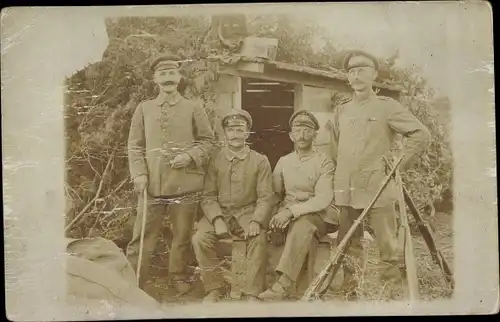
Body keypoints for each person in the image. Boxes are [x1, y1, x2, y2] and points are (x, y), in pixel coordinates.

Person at [330, 50, 431, 299]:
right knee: (347, 242)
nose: (356, 75)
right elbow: (335, 146)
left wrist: (397, 166)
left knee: (387, 244)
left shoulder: (387, 106)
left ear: (374, 74)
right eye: (352, 71)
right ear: (348, 78)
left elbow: (420, 134)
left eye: (362, 70)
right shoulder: (341, 110)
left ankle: (390, 291)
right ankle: (351, 288)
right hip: (347, 186)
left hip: (378, 184)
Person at [127, 54, 215, 294]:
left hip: (184, 185)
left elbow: (208, 141)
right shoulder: (144, 109)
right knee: (142, 234)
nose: (168, 78)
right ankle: (134, 280)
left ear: (179, 77)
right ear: (155, 79)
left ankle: (177, 276)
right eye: (162, 74)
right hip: (151, 184)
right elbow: (134, 145)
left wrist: (189, 156)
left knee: (182, 235)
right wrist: (139, 174)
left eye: (172, 73)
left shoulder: (193, 107)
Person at [192, 109, 274, 303]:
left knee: (258, 237)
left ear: (247, 133)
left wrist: (257, 220)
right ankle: (215, 288)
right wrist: (217, 219)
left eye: (240, 130)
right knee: (200, 238)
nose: (235, 135)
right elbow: (208, 195)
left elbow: (265, 197)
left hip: (247, 213)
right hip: (220, 212)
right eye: (231, 130)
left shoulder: (260, 160)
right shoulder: (215, 159)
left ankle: (251, 292)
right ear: (225, 133)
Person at [258, 110, 336, 301]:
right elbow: (276, 195)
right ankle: (263, 283)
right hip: (290, 212)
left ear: (315, 135)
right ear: (291, 135)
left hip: (321, 215)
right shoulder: (284, 162)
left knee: (302, 224)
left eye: (307, 130)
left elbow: (322, 199)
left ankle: (283, 285)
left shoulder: (324, 161)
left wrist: (290, 213)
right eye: (297, 130)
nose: (302, 135)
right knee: (269, 229)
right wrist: (275, 217)